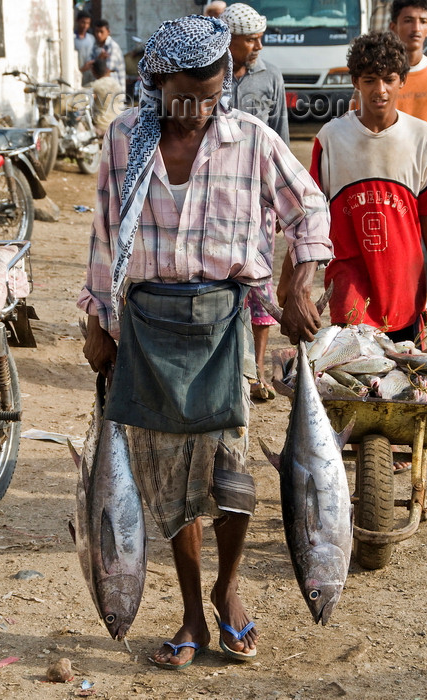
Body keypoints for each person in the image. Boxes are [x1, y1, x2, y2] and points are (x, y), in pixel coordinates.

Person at [78, 15, 332, 670]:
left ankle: (228, 588)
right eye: (184, 91)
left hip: (223, 325)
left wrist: (299, 282)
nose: (196, 104)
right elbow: (106, 238)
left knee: (229, 477)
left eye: (210, 87)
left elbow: (310, 209)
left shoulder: (251, 139)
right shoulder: (122, 140)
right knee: (170, 487)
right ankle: (193, 607)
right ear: (156, 84)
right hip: (147, 326)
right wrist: (96, 323)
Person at [309, 31, 427, 343]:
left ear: (402, 81)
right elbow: (310, 214)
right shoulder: (331, 137)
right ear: (356, 81)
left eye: (388, 79)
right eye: (369, 80)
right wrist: (293, 278)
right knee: (352, 379)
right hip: (349, 280)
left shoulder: (422, 137)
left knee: (402, 379)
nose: (379, 90)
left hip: (404, 281)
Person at [220, 3, 289, 400]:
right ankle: (229, 371)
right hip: (219, 202)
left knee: (260, 285)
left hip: (259, 204)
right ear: (229, 41)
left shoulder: (270, 77)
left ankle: (257, 372)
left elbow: (280, 137)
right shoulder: (209, 77)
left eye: (260, 37)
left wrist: (279, 202)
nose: (258, 45)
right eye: (250, 39)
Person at [390, 0, 427, 148]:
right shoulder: (377, 79)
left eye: (423, 21)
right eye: (408, 21)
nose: (416, 28)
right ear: (393, 27)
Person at [81, 19, 126, 90]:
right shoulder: (95, 46)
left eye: (101, 32)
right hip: (102, 89)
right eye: (97, 32)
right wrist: (99, 59)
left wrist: (97, 61)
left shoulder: (112, 47)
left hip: (114, 90)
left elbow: (105, 71)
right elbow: (91, 65)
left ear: (108, 32)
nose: (99, 35)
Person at [88, 58, 121, 135]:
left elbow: (87, 102)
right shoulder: (116, 84)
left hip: (103, 126)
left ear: (93, 72)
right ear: (107, 70)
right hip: (119, 123)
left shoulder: (96, 86)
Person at [74, 10, 95, 86]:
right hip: (76, 76)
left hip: (90, 78)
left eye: (88, 23)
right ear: (77, 21)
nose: (85, 26)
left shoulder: (91, 39)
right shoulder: (72, 39)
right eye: (83, 22)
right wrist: (82, 69)